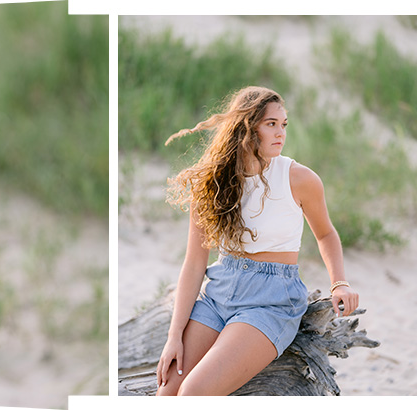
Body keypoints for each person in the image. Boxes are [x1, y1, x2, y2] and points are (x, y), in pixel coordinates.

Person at [155, 86, 361, 395]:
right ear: (247, 128)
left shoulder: (300, 179)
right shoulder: (211, 184)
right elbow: (195, 263)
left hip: (272, 301)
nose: (281, 133)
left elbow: (326, 233)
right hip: (220, 290)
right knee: (167, 391)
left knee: (193, 393)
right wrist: (174, 336)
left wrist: (339, 282)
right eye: (271, 124)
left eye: (284, 124)